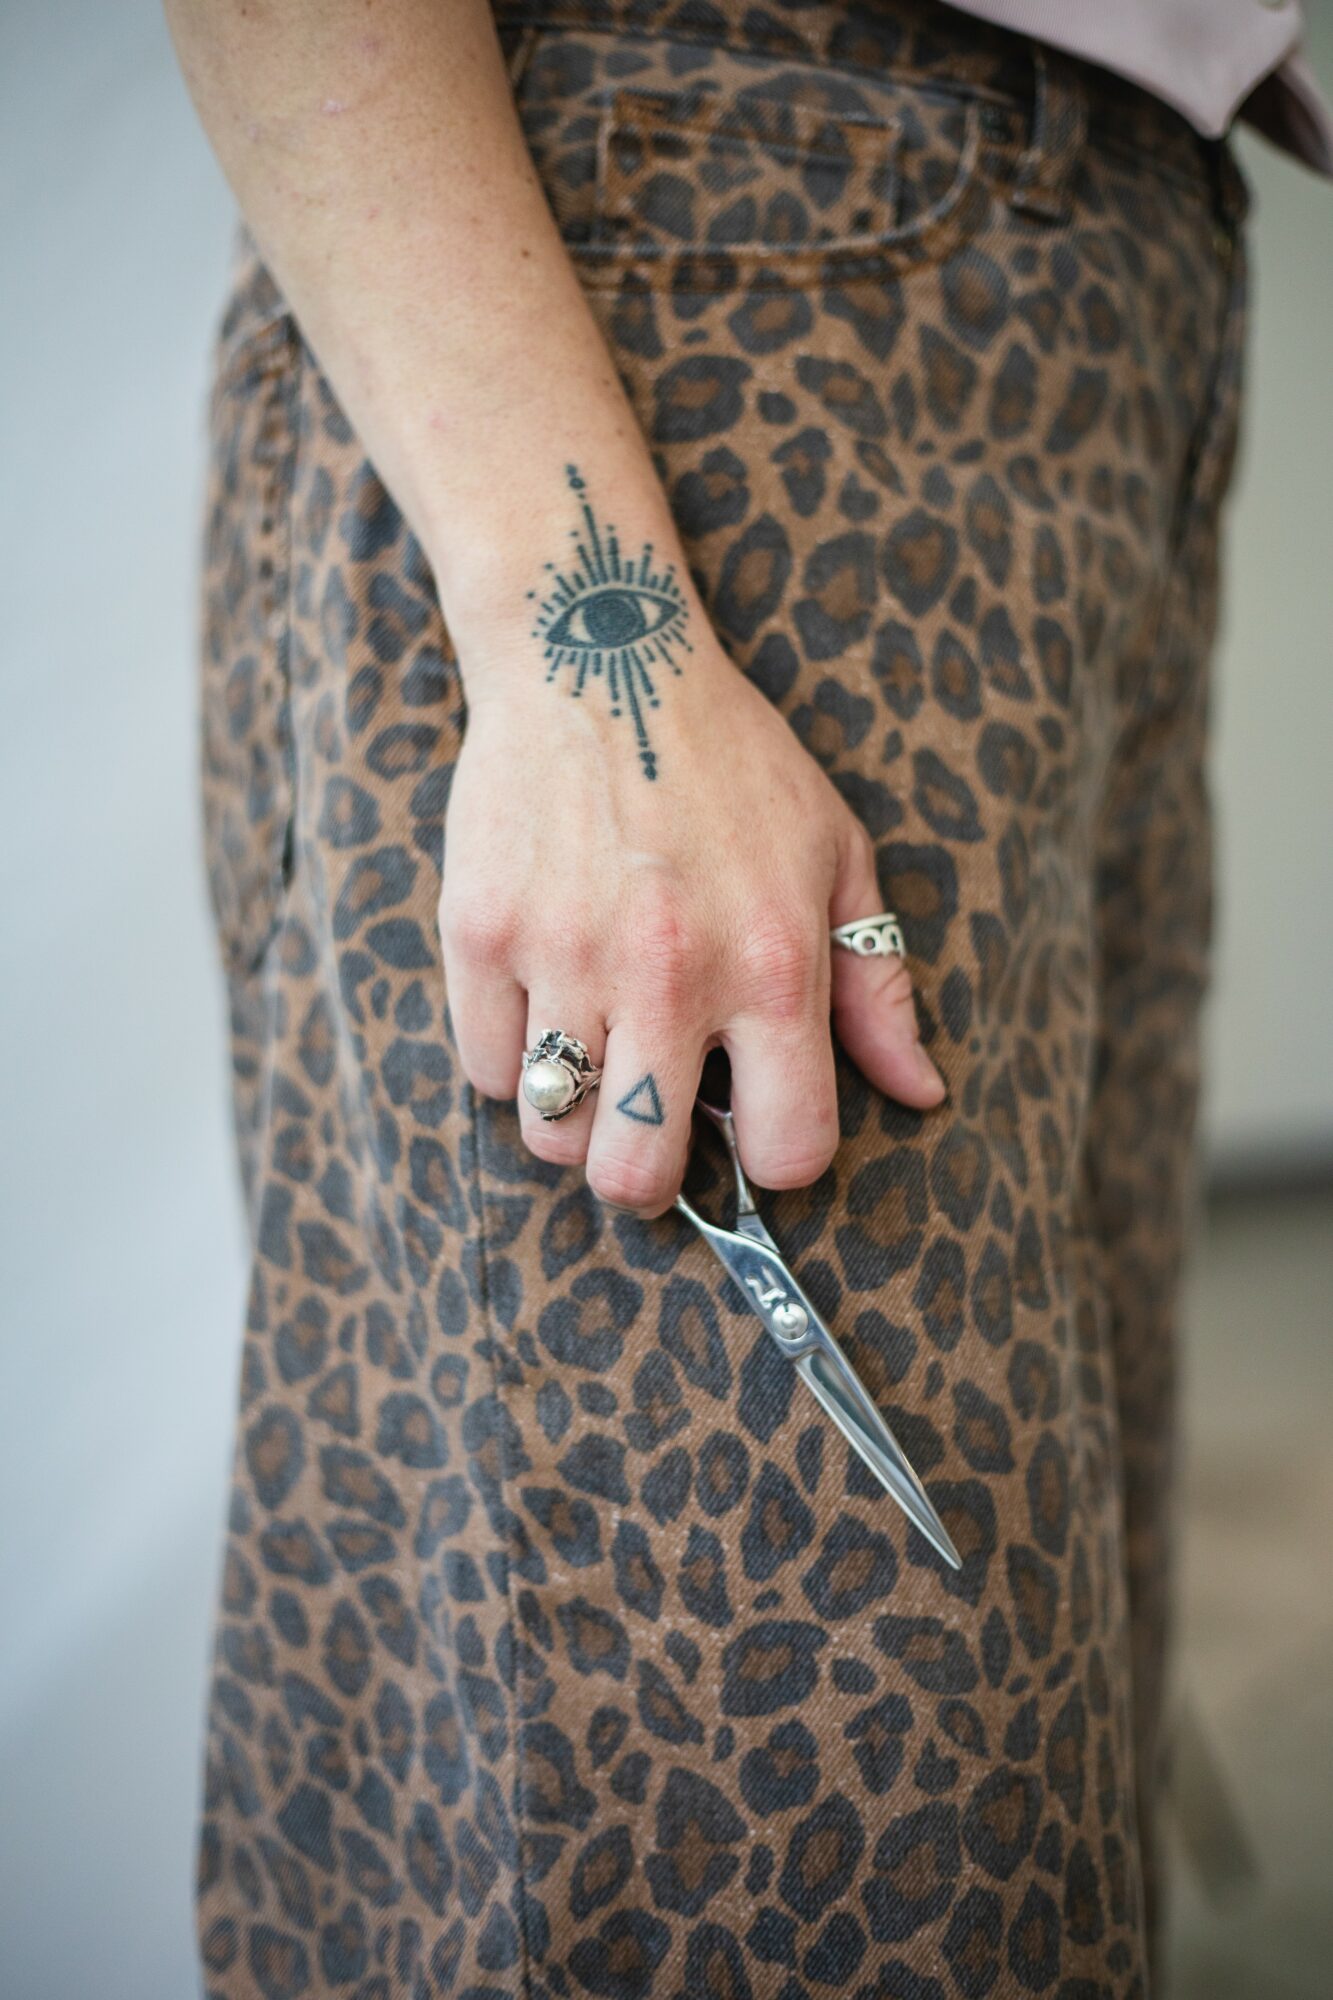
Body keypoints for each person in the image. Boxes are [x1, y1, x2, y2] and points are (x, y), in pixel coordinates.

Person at [164, 0, 1329, 1993]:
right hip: (689, 282)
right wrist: (580, 627)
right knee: (769, 1841)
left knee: (1007, 1789)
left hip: (1108, 305)